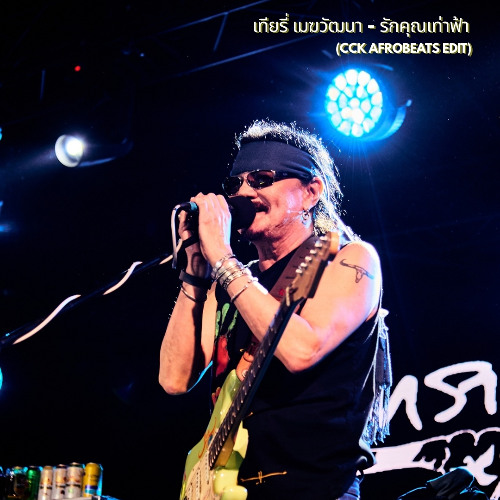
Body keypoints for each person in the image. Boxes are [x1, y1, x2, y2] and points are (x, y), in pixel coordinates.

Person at [159, 119, 391, 499]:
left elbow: (302, 350)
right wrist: (195, 273)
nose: (243, 192)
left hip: (314, 487)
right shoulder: (226, 285)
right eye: (235, 184)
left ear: (311, 192)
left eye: (262, 179)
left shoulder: (347, 259)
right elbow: (174, 378)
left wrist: (223, 259)